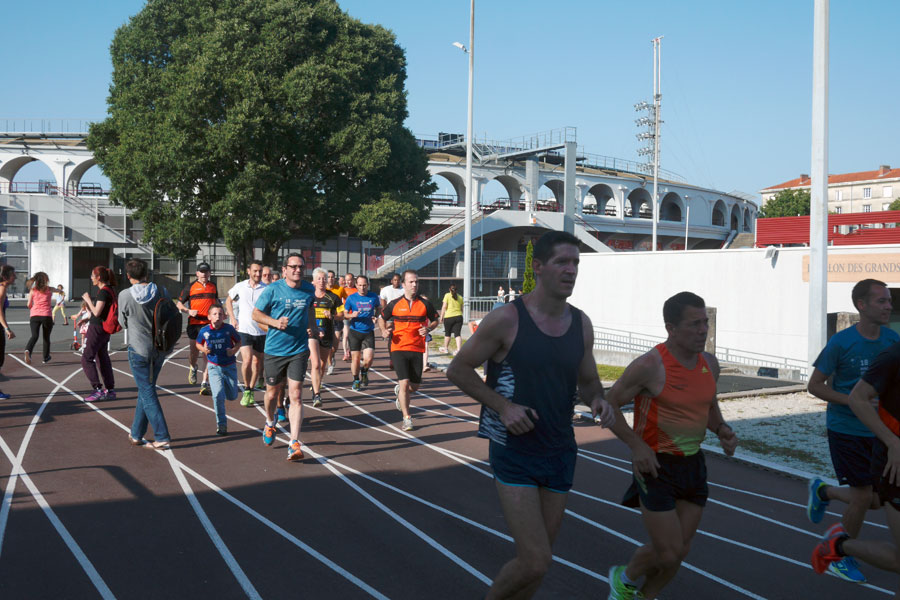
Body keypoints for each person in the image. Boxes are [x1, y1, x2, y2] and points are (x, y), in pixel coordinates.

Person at [445, 231, 614, 598]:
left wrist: (598, 401)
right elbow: (457, 369)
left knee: (538, 565)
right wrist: (504, 406)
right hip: (515, 450)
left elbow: (588, 382)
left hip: (559, 450)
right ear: (538, 267)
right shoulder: (507, 318)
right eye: (562, 263)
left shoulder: (581, 324)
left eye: (576, 264)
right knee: (536, 560)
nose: (571, 271)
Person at [604, 291, 738, 600]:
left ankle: (641, 597)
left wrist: (722, 430)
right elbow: (609, 406)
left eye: (705, 322)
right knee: (668, 551)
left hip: (693, 464)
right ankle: (622, 578)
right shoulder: (650, 365)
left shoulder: (710, 364)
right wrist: (636, 447)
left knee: (680, 552)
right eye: (694, 324)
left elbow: (708, 408)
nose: (703, 330)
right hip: (655, 464)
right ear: (671, 328)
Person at [806, 278, 898, 582]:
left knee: (876, 500)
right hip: (846, 429)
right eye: (881, 301)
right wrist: (854, 401)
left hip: (879, 433)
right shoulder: (841, 343)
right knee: (862, 497)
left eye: (889, 301)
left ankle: (824, 491)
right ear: (862, 305)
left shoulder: (891, 342)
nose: (888, 306)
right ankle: (837, 555)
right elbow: (814, 386)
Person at [252, 252, 319, 461]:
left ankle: (294, 442)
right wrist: (274, 322)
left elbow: (309, 311)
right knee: (272, 394)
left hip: (298, 349)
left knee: (296, 395)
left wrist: (313, 328)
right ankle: (270, 423)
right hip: (274, 350)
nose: (297, 270)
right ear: (284, 270)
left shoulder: (309, 290)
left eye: (301, 267)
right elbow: (255, 314)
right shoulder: (273, 290)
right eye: (293, 267)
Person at [119, 258, 172, 449]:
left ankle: (162, 435)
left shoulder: (125, 295)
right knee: (146, 389)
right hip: (159, 348)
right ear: (146, 274)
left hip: (138, 349)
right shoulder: (160, 291)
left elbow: (122, 322)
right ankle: (136, 433)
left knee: (147, 391)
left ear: (128, 276)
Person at [379, 270, 440, 432]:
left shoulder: (425, 304)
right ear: (404, 284)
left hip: (417, 349)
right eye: (411, 282)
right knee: (404, 383)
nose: (414, 285)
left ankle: (400, 392)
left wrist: (428, 328)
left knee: (415, 386)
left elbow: (436, 320)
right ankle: (407, 418)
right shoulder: (395, 303)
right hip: (398, 347)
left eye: (417, 282)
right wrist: (383, 330)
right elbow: (381, 318)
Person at [226, 260, 268, 407]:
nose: (258, 274)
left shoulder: (266, 289)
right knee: (247, 360)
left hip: (261, 331)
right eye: (255, 271)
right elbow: (228, 301)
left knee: (257, 362)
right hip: (244, 329)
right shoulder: (240, 286)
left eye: (260, 271)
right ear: (248, 271)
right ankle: (246, 389)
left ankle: (251, 388)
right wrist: (232, 318)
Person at [196, 304, 241, 435]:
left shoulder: (229, 329)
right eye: (215, 314)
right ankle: (221, 424)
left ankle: (225, 393)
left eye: (220, 314)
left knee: (232, 396)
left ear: (224, 317)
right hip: (214, 367)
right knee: (217, 395)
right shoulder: (204, 331)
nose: (218, 316)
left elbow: (239, 342)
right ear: (209, 316)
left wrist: (233, 350)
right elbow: (198, 343)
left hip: (229, 366)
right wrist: (204, 349)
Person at [176, 262, 219, 393]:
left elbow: (216, 302)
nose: (204, 274)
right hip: (194, 324)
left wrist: (221, 311)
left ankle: (205, 383)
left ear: (209, 273)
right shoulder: (190, 287)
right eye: (202, 271)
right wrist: (188, 311)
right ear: (197, 273)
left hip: (208, 324)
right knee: (194, 353)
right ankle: (193, 366)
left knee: (207, 352)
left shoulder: (213, 286)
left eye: (206, 272)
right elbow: (179, 304)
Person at [81, 266, 118, 402]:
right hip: (103, 328)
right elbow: (100, 313)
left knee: (86, 358)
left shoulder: (103, 292)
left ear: (99, 278)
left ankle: (97, 389)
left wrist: (88, 300)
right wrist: (86, 318)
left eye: (92, 276)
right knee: (102, 357)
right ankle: (110, 389)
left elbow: (97, 312)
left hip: (97, 329)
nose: (91, 278)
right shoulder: (110, 290)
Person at [309, 267, 343, 407]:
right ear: (314, 281)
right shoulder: (308, 297)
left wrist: (332, 316)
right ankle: (317, 395)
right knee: (315, 364)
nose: (322, 281)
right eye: (319, 279)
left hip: (327, 334)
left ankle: (316, 384)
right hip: (312, 335)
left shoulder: (333, 297)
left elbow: (342, 315)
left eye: (324, 279)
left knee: (322, 365)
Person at [344, 275, 380, 391]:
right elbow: (345, 314)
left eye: (364, 285)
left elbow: (379, 308)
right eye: (360, 285)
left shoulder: (373, 296)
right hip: (355, 331)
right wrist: (352, 315)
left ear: (368, 285)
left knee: (368, 359)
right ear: (356, 285)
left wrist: (376, 316)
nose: (362, 287)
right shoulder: (351, 298)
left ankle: (364, 372)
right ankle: (356, 379)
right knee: (355, 358)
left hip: (368, 331)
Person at [25, 272, 54, 365]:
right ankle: (45, 357)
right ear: (46, 280)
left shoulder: (33, 290)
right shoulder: (49, 289)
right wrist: (61, 291)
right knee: (46, 337)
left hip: (34, 316)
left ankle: (28, 350)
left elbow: (28, 305)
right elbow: (57, 290)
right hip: (47, 316)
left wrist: (33, 307)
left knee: (34, 336)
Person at [379, 273, 405, 369]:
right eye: (394, 280)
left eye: (398, 280)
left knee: (401, 336)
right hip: (390, 315)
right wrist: (385, 314)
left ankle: (400, 357)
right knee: (392, 336)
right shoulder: (386, 290)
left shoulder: (403, 290)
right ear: (391, 281)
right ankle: (392, 358)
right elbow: (383, 303)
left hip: (401, 315)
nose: (396, 282)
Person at [0, 265, 16, 399]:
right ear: (5, 277)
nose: (15, 277)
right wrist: (7, 328)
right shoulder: (2, 289)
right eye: (13, 274)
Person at [325, 270, 345, 375]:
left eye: (332, 277)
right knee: (329, 346)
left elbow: (347, 299)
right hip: (326, 321)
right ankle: (330, 364)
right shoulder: (323, 290)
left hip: (337, 319)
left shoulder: (340, 289)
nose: (330, 279)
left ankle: (332, 356)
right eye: (328, 277)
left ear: (335, 278)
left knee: (334, 346)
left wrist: (346, 311)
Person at [439, 283, 464, 356]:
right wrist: (459, 314)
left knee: (447, 333)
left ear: (449, 289)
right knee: (457, 334)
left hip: (449, 317)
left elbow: (444, 307)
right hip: (459, 316)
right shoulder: (460, 297)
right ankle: (459, 350)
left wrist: (441, 317)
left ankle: (446, 348)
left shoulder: (447, 295)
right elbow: (462, 309)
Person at [340, 272, 358, 362]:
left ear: (353, 280)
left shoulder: (357, 290)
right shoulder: (342, 290)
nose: (348, 282)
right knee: (346, 335)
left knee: (352, 335)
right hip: (346, 315)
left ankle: (350, 350)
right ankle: (345, 353)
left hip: (355, 315)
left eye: (350, 280)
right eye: (347, 280)